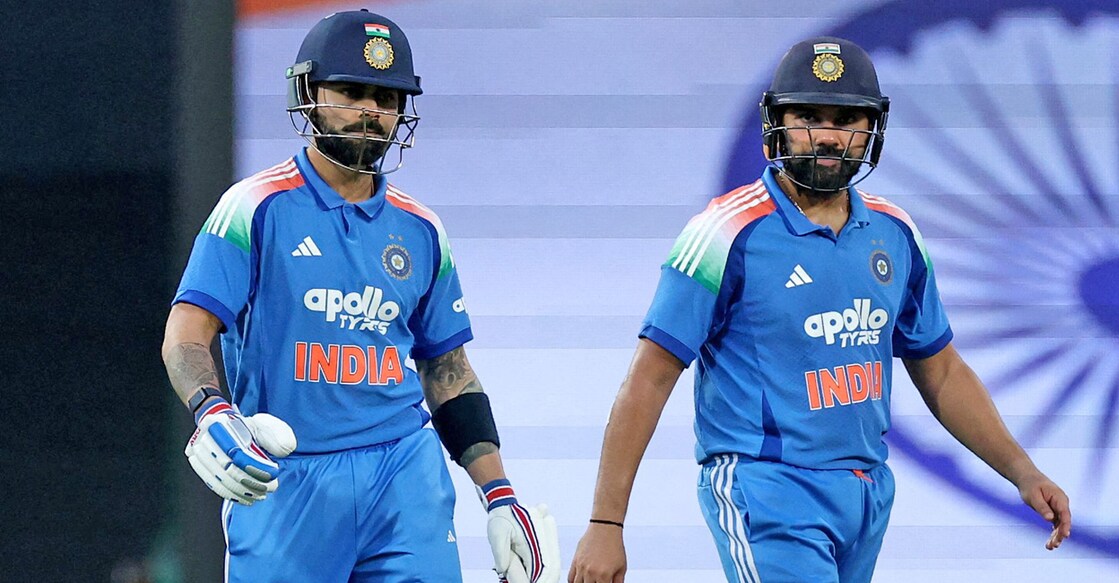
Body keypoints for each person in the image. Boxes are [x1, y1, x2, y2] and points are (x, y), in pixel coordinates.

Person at [567, 36, 1071, 583]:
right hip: (768, 488)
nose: (829, 135)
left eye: (847, 118)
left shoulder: (895, 232)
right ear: (776, 124)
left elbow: (942, 371)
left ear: (871, 129)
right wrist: (605, 523)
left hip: (867, 492)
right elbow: (648, 380)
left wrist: (1022, 471)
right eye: (808, 115)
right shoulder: (724, 233)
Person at [162, 10, 560, 582]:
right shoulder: (253, 208)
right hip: (285, 476)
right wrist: (213, 411)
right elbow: (185, 333)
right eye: (351, 91)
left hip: (404, 476)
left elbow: (449, 373)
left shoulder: (422, 230)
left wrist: (498, 494)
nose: (371, 112)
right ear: (309, 92)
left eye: (387, 97)